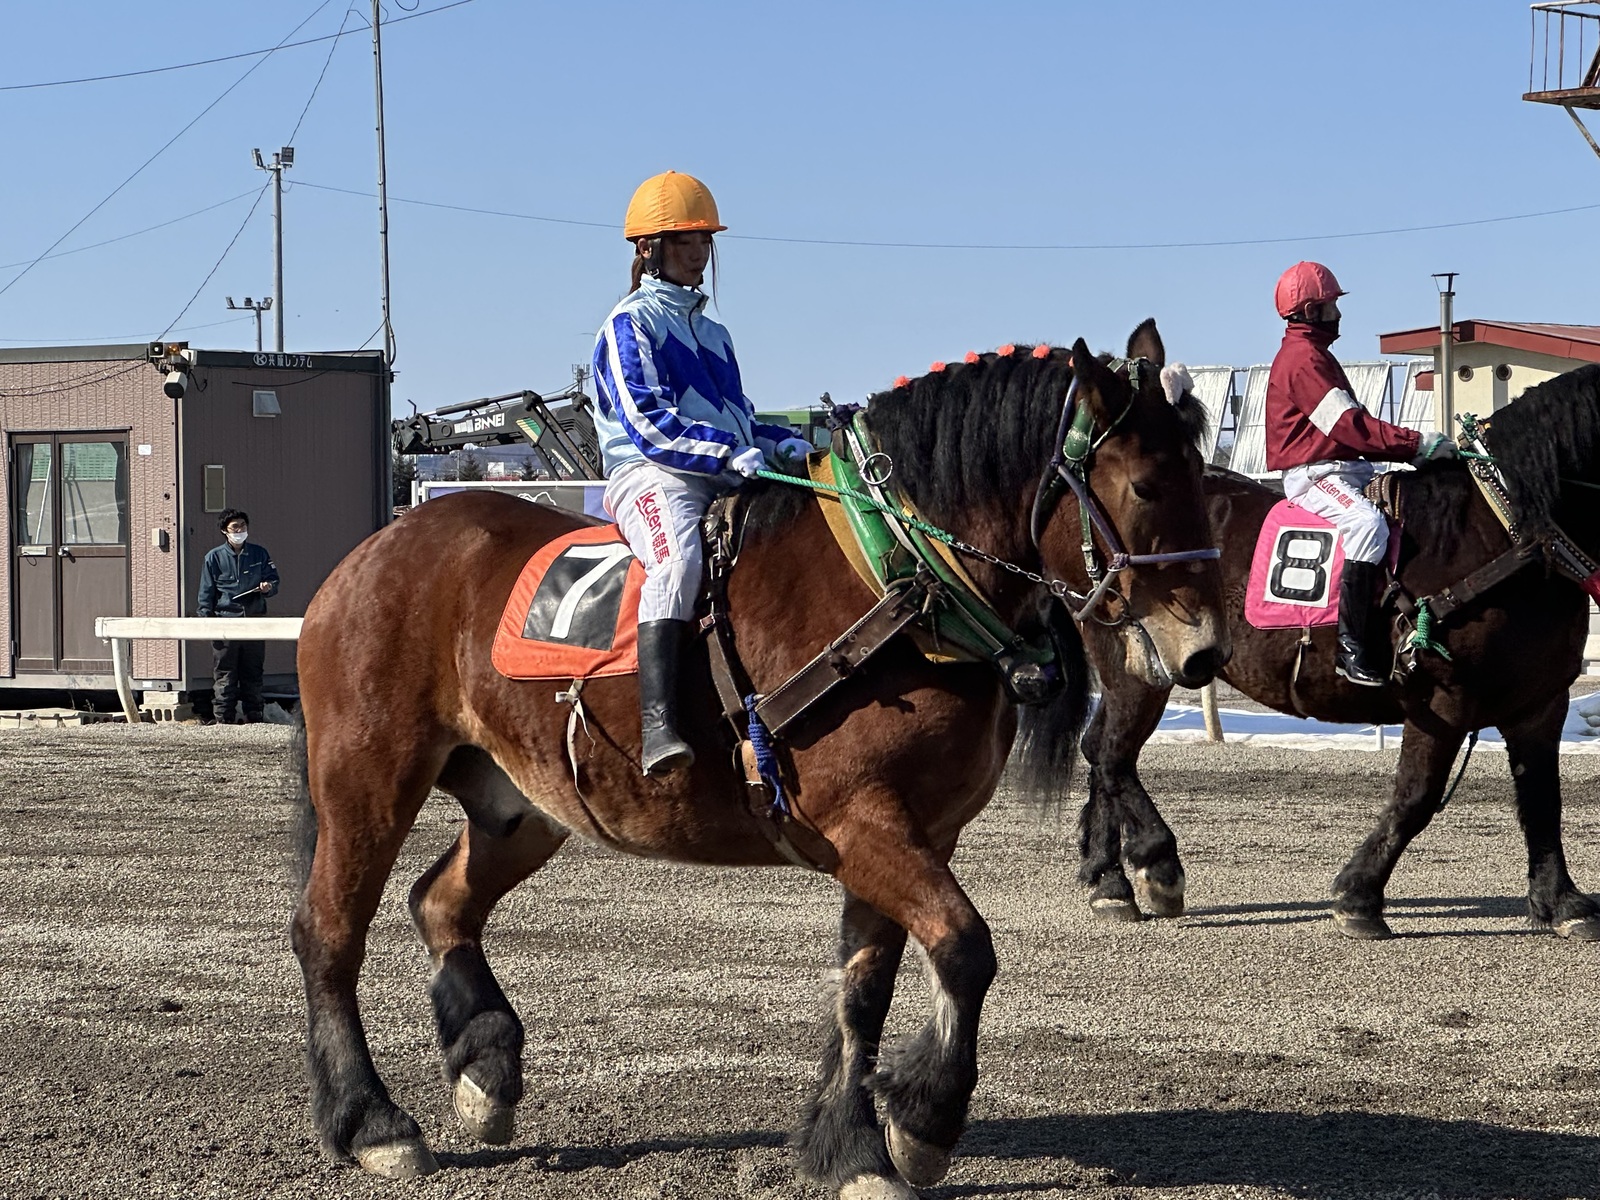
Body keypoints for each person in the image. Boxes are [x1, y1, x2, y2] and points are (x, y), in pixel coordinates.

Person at [592, 170, 812, 775]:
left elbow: (738, 420)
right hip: (651, 474)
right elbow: (648, 423)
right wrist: (722, 453)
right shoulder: (627, 325)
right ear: (648, 249)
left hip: (717, 471)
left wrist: (783, 443)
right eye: (684, 242)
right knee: (678, 561)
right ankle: (658, 724)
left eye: (704, 242)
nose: (698, 254)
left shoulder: (715, 333)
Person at [1266, 261, 1458, 687]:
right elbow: (1348, 426)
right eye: (1332, 304)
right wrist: (1415, 445)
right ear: (1312, 311)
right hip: (1314, 475)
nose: (1339, 313)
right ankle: (1349, 648)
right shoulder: (1302, 360)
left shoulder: (1316, 355)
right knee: (1367, 524)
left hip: (1344, 470)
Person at [197, 509, 280, 723]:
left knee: (253, 672)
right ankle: (224, 719)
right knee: (225, 674)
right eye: (235, 527)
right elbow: (206, 594)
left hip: (254, 621)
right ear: (225, 531)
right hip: (225, 622)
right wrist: (207, 623)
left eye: (243, 526)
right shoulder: (213, 557)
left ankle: (255, 718)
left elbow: (274, 580)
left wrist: (268, 587)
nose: (240, 531)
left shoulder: (259, 553)